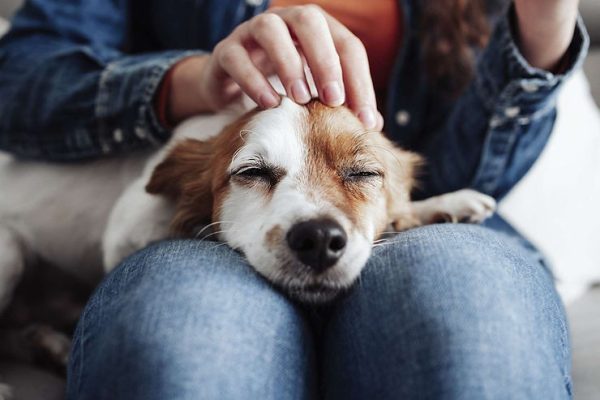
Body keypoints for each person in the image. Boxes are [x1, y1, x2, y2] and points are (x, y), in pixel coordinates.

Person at [0, 0, 589, 398]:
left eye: (358, 169)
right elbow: (15, 81)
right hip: (206, 242)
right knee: (185, 336)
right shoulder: (191, 173)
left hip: (406, 229)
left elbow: (461, 175)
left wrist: (543, 27)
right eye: (258, 169)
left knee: (468, 314)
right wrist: (190, 81)